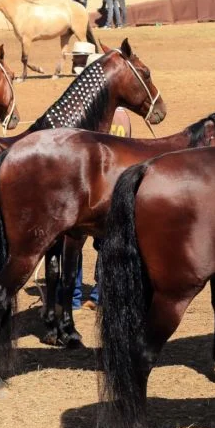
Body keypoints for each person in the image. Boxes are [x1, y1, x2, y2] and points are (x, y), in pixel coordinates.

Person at [72, 107, 132, 312]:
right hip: (113, 187)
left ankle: (74, 295)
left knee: (73, 243)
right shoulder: (124, 116)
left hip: (89, 187)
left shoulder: (90, 113)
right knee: (106, 243)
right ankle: (100, 294)